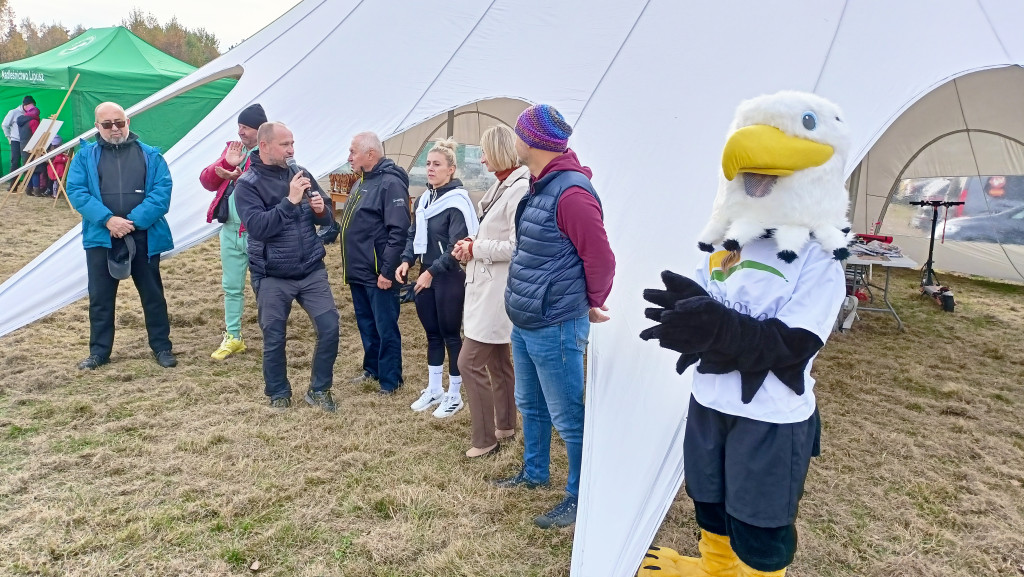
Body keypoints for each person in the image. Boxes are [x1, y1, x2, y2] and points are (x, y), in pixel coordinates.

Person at [639, 91, 852, 577]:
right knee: (709, 499)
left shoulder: (818, 257)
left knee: (760, 523)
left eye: (772, 175)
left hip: (770, 417)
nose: (758, 183)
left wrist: (718, 327)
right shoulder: (729, 240)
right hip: (710, 401)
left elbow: (794, 345)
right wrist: (685, 313)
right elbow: (707, 296)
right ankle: (716, 569)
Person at [491, 104, 615, 529]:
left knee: (569, 416)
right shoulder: (542, 184)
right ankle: (534, 472)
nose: (514, 139)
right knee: (531, 403)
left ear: (533, 141)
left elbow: (600, 257)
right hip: (529, 318)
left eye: (518, 132)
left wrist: (593, 300)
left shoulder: (572, 193)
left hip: (556, 321)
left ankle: (582, 495)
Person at [235, 121, 340, 413]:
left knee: (330, 327)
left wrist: (321, 211)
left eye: (293, 144)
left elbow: (326, 219)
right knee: (274, 335)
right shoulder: (247, 185)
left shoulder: (300, 173)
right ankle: (278, 392)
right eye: (285, 145)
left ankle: (319, 389)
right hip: (272, 275)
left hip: (310, 269)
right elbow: (258, 228)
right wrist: (290, 201)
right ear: (264, 146)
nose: (291, 150)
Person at [65, 102, 177, 370]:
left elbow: (162, 194)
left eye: (119, 122)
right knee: (100, 298)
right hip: (101, 236)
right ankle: (99, 352)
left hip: (144, 237)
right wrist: (108, 220)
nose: (114, 128)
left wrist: (132, 222)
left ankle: (162, 347)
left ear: (128, 122)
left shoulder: (151, 156)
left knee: (153, 295)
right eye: (107, 124)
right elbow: (77, 191)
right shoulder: (84, 157)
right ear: (97, 127)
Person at [451, 125, 529, 458]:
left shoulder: (520, 189)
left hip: (498, 289)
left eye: (483, 152)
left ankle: (485, 439)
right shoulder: (503, 185)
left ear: (498, 151)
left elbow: (517, 246)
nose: (481, 160)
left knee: (468, 363)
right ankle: (506, 425)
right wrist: (472, 245)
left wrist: (477, 247)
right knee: (499, 362)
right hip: (487, 285)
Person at [395, 138, 479, 418]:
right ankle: (434, 389)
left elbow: (457, 246)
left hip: (448, 276)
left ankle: (455, 395)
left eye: (436, 164)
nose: (430, 169)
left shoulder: (457, 202)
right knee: (431, 334)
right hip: (426, 272)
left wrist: (431, 272)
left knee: (450, 336)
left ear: (451, 169)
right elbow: (413, 233)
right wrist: (407, 260)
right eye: (428, 164)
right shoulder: (424, 200)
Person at [341, 132, 411, 395]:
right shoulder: (361, 182)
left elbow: (398, 230)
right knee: (366, 324)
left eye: (353, 152)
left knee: (385, 326)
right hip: (358, 272)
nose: (349, 157)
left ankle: (391, 380)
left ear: (370, 154)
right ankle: (372, 369)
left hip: (378, 273)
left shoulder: (390, 183)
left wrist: (387, 271)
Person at [199, 103, 267, 360]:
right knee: (231, 286)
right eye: (239, 126)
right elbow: (206, 180)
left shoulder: (269, 153)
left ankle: (271, 333)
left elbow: (268, 185)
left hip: (258, 232)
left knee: (264, 285)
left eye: (246, 127)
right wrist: (227, 166)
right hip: (230, 230)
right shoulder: (233, 150)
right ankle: (233, 336)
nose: (240, 132)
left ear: (260, 130)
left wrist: (239, 176)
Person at [2, 95, 34, 179]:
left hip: (26, 141)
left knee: (27, 162)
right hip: (15, 140)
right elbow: (4, 125)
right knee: (15, 161)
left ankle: (26, 184)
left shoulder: (31, 114)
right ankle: (13, 185)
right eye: (31, 105)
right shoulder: (13, 112)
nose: (33, 108)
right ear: (25, 105)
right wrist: (9, 137)